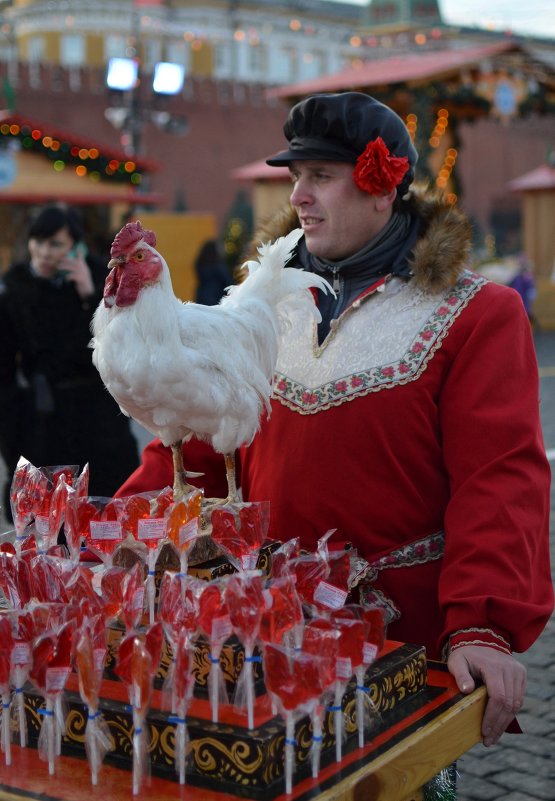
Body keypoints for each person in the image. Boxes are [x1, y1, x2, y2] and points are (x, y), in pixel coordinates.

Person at [116, 93, 553, 766]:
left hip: (395, 645)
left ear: (381, 185)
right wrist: (113, 539)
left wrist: (480, 621)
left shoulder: (475, 314)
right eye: (296, 177)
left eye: (318, 175)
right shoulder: (261, 307)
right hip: (256, 631)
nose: (297, 196)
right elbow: (199, 438)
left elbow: (498, 479)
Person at [0, 204, 140, 517]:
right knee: (50, 521)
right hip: (44, 418)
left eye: (56, 244)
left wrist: (90, 296)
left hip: (98, 417)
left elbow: (119, 347)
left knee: (107, 513)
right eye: (39, 242)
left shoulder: (100, 282)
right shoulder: (15, 288)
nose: (45, 252)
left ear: (75, 246)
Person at [194, 239, 234, 305]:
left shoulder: (200, 265)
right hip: (217, 298)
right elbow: (228, 282)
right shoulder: (219, 266)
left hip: (201, 297)